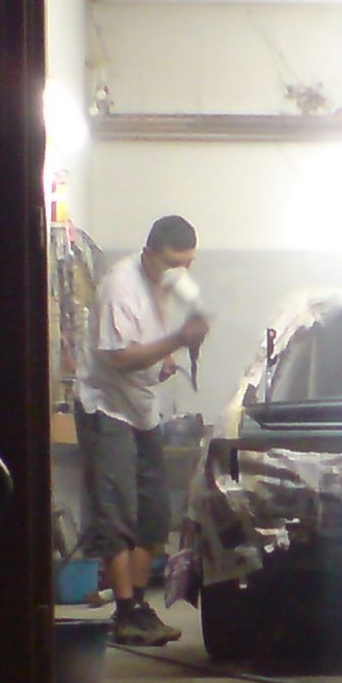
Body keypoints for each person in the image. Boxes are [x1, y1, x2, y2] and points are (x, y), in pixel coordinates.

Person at [74, 214, 210, 645]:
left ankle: (134, 606)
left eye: (187, 263)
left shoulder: (164, 284)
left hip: (142, 411)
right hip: (107, 409)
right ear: (149, 254)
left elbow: (146, 340)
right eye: (172, 263)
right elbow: (119, 358)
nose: (179, 272)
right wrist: (177, 341)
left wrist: (166, 357)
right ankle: (125, 610)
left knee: (155, 516)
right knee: (116, 512)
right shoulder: (121, 286)